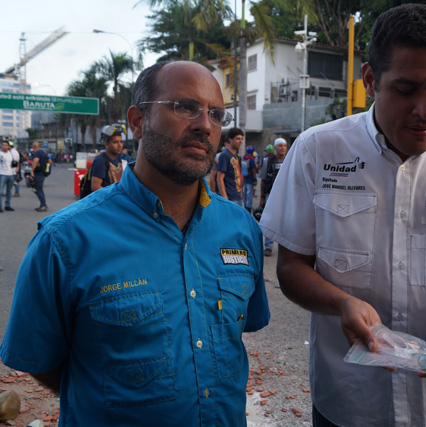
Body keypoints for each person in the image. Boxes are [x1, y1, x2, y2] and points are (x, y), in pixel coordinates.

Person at [260, 4, 426, 426]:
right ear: (371, 80)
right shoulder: (318, 150)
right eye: (407, 89)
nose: (425, 109)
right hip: (347, 399)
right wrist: (341, 301)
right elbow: (291, 267)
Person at [0, 60, 270, 426]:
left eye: (216, 114)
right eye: (185, 107)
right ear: (138, 120)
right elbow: (43, 362)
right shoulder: (64, 241)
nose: (205, 125)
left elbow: (237, 335)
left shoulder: (242, 229)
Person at [260, 138, 288, 257]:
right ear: (275, 148)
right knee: (270, 220)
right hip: (270, 194)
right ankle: (268, 246)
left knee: (287, 221)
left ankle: (286, 247)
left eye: (284, 146)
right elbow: (263, 179)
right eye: (280, 145)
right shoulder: (268, 161)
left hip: (287, 195)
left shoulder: (290, 160)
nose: (282, 148)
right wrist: (262, 197)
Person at [90, 123, 128, 193]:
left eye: (121, 142)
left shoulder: (119, 160)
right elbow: (95, 187)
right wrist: (115, 196)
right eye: (115, 142)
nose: (119, 145)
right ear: (107, 144)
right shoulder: (100, 161)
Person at [216, 127, 244, 206]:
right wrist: (225, 197)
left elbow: (238, 175)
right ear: (230, 139)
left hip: (238, 196)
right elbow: (219, 178)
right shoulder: (225, 155)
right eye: (238, 139)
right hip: (229, 197)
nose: (240, 141)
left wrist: (241, 193)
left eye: (242, 139)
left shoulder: (237, 156)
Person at [30, 141, 52, 212]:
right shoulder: (43, 152)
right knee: (38, 188)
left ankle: (43, 205)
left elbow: (35, 161)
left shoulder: (37, 153)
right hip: (42, 173)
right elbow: (50, 161)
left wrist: (32, 171)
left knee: (38, 189)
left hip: (38, 173)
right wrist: (45, 166)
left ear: (33, 147)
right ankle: (42, 204)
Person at [242, 145, 258, 212]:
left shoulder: (244, 157)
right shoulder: (251, 159)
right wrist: (255, 178)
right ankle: (248, 207)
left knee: (244, 192)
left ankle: (244, 205)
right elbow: (253, 169)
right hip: (250, 178)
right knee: (249, 193)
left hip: (243, 178)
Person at [0, 140, 15, 212]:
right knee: (0, 191)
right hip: (2, 174)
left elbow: (14, 162)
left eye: (6, 145)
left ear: (8, 146)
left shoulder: (10, 153)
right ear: (1, 146)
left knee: (9, 191)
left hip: (10, 174)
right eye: (3, 145)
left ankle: (7, 205)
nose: (4, 146)